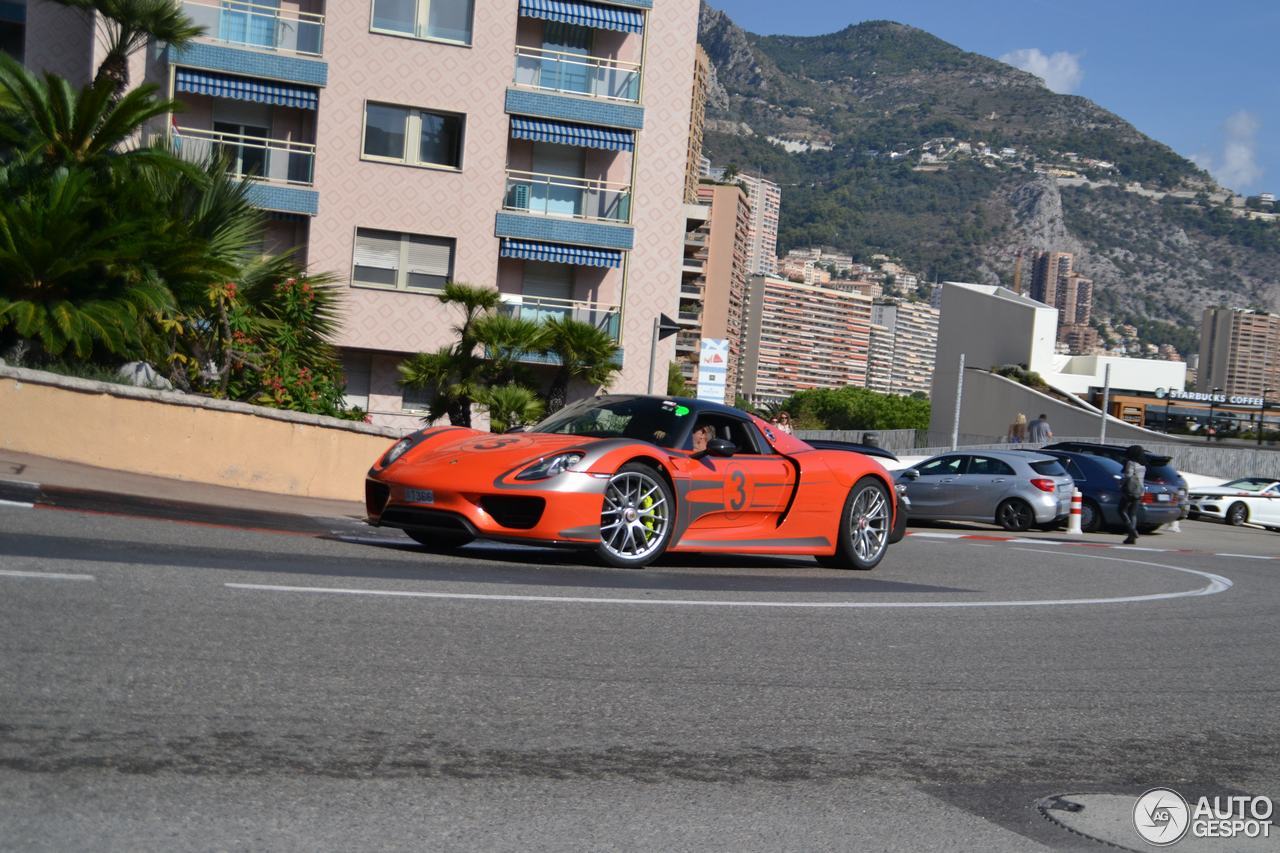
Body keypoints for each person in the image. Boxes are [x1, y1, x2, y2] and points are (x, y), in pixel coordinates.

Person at [1119, 444, 1146, 545]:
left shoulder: (1131, 463)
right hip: (1140, 491)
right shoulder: (1143, 464)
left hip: (1130, 490)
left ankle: (1132, 531)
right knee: (1133, 513)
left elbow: (1128, 476)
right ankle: (1131, 538)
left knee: (1121, 510)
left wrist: (1121, 483)